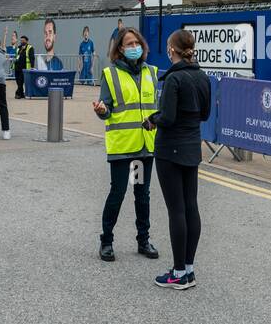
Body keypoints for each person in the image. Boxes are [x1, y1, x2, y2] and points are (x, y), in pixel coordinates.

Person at [90, 27, 159, 262]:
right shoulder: (110, 74)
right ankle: (106, 241)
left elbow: (156, 108)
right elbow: (106, 110)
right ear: (120, 48)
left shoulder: (151, 72)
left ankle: (143, 240)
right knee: (117, 193)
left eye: (136, 43)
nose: (134, 47)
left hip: (143, 147)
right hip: (122, 148)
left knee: (142, 195)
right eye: (128, 44)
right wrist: (101, 110)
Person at [149, 29, 212, 289]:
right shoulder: (202, 77)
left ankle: (177, 273)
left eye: (167, 46)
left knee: (176, 210)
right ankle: (189, 269)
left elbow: (168, 117)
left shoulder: (174, 80)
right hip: (191, 148)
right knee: (190, 207)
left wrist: (152, 119)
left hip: (169, 150)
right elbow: (205, 115)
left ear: (172, 50)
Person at [13, 34, 35, 99]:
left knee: (20, 81)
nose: (22, 41)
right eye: (21, 40)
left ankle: (18, 94)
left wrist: (32, 66)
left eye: (23, 40)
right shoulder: (19, 48)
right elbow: (16, 56)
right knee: (18, 81)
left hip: (24, 68)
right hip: (17, 67)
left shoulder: (30, 48)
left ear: (26, 41)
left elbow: (32, 57)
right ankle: (22, 93)